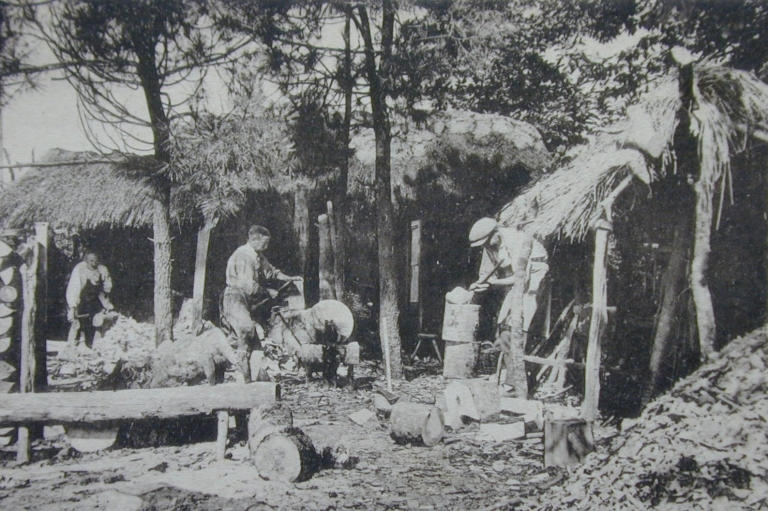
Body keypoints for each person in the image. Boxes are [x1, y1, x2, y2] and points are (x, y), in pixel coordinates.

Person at [468, 217, 549, 397]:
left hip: (533, 278)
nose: (487, 247)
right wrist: (480, 283)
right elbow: (488, 274)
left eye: (488, 242)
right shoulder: (491, 246)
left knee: (518, 326)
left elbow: (523, 278)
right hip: (515, 283)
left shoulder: (516, 239)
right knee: (503, 327)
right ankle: (509, 380)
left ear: (496, 233)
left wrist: (493, 282)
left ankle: (516, 384)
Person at [222, 225, 302, 381]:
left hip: (246, 299)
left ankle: (249, 378)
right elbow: (248, 285)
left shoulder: (257, 255)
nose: (267, 246)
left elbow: (271, 272)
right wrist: (268, 292)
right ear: (254, 239)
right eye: (265, 243)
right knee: (246, 330)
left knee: (249, 339)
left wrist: (289, 278)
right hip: (235, 297)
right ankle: (241, 377)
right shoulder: (244, 256)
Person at [66, 251, 114, 347]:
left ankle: (97, 343)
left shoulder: (102, 270)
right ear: (86, 261)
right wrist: (73, 306)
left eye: (95, 261)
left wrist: (107, 305)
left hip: (95, 299)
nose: (93, 263)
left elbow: (106, 288)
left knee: (98, 320)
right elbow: (74, 289)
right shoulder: (80, 269)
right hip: (82, 299)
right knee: (79, 321)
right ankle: (77, 343)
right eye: (91, 261)